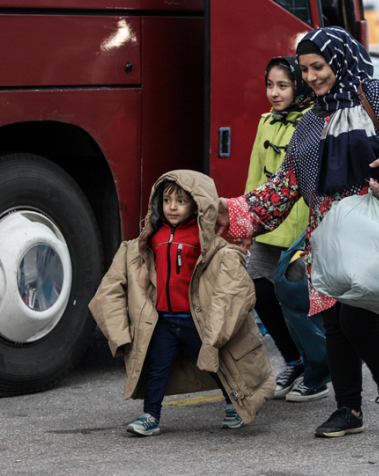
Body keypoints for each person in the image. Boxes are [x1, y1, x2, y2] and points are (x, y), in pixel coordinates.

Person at [217, 26, 379, 438]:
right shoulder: (309, 123)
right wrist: (233, 210)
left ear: (341, 61)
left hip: (373, 226)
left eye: (320, 66)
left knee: (356, 313)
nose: (312, 76)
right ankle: (348, 409)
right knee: (332, 320)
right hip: (326, 234)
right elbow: (285, 185)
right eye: (306, 69)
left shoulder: (374, 94)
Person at [89, 171, 275, 437]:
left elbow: (224, 273)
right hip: (164, 320)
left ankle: (233, 403)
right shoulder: (151, 238)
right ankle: (151, 415)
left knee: (216, 364)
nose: (172, 207)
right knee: (157, 367)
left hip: (194, 320)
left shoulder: (205, 241)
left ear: (198, 205)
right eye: (166, 200)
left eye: (181, 201)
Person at [243, 56, 329, 402]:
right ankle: (294, 360)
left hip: (300, 227)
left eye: (282, 85)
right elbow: (255, 175)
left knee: (303, 303)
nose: (274, 93)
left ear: (299, 86)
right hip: (267, 227)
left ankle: (317, 371)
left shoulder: (314, 121)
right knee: (260, 292)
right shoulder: (266, 122)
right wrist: (247, 220)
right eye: (269, 85)